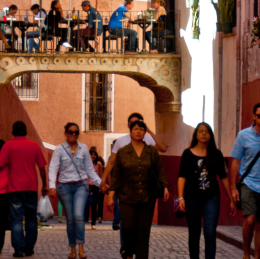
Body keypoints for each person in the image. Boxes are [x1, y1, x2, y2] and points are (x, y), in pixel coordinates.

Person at [100, 112, 167, 258]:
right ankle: (128, 253)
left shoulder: (151, 148)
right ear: (129, 129)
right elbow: (115, 172)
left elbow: (159, 167)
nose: (138, 130)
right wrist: (110, 193)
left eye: (141, 127)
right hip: (126, 195)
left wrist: (165, 186)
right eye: (134, 127)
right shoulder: (122, 148)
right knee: (128, 227)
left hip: (147, 195)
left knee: (144, 229)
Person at [0, 121, 48, 258]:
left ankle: (19, 250)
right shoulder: (34, 146)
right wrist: (44, 185)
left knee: (16, 219)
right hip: (31, 187)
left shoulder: (8, 146)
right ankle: (29, 248)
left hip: (14, 188)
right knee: (31, 219)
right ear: (26, 132)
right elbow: (41, 168)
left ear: (13, 132)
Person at [177, 123, 236, 259]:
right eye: (201, 131)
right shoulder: (187, 153)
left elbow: (223, 177)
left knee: (210, 232)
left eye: (207, 132)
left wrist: (231, 199)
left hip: (212, 198)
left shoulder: (216, 154)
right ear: (196, 135)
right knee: (194, 233)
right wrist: (181, 198)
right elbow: (182, 177)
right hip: (192, 198)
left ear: (211, 135)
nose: (204, 134)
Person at [48, 123, 101, 259]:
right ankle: (72, 249)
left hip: (80, 186)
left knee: (78, 216)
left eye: (76, 132)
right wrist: (52, 186)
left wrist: (100, 183)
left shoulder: (83, 148)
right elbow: (53, 167)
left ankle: (81, 249)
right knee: (70, 219)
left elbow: (89, 169)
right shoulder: (59, 149)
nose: (73, 134)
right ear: (66, 133)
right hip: (64, 186)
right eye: (70, 132)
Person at [230, 103, 260, 259]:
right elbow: (235, 161)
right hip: (249, 183)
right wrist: (234, 187)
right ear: (254, 116)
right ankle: (246, 254)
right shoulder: (243, 135)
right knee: (250, 218)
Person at [84, 147, 104, 230]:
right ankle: (85, 219)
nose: (93, 156)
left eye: (94, 154)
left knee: (94, 205)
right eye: (91, 154)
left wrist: (101, 186)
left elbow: (101, 176)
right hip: (86, 186)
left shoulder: (99, 165)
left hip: (95, 186)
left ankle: (93, 223)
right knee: (85, 203)